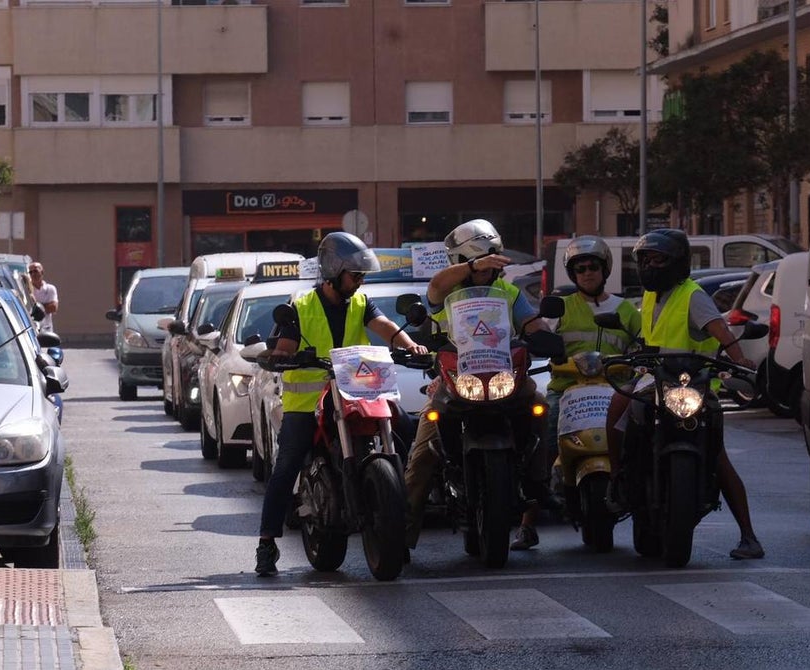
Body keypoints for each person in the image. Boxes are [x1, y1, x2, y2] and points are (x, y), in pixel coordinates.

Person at [255, 232, 427, 576]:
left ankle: (398, 524)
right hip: (307, 404)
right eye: (355, 275)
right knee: (287, 462)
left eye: (361, 275)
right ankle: (266, 542)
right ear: (334, 271)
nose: (360, 281)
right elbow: (285, 345)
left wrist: (410, 345)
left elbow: (386, 326)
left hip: (358, 394)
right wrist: (283, 356)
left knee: (408, 430)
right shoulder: (300, 306)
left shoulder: (361, 303)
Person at [604, 228, 764, 559]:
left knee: (717, 455)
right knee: (618, 405)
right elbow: (641, 333)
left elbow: (721, 332)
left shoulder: (693, 296)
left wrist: (740, 361)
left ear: (676, 262)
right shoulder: (650, 296)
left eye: (657, 259)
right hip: (652, 380)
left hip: (695, 386)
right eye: (644, 259)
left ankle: (748, 535)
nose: (649, 265)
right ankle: (618, 477)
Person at [403, 219, 554, 554]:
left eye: (491, 261)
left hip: (505, 378)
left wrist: (545, 336)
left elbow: (532, 322)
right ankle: (401, 537)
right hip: (454, 381)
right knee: (423, 453)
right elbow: (436, 285)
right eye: (478, 262)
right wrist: (474, 265)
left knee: (540, 407)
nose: (486, 269)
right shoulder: (445, 293)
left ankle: (538, 482)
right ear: (461, 262)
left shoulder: (510, 293)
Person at [515, 236, 642, 550]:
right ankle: (528, 524)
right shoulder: (561, 308)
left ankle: (649, 509)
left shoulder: (625, 310)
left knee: (642, 438)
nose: (588, 273)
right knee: (541, 440)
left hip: (614, 390)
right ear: (572, 275)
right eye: (581, 269)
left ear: (604, 270)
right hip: (567, 390)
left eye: (593, 267)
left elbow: (642, 343)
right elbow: (541, 338)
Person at [28, 261, 58, 333]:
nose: (33, 274)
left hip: (47, 328)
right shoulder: (27, 290)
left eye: (35, 271)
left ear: (42, 272)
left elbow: (53, 307)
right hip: (32, 328)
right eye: (31, 272)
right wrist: (45, 306)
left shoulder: (50, 288)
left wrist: (37, 307)